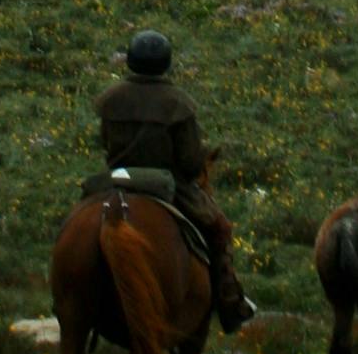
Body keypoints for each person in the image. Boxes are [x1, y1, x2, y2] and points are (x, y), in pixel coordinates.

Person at [93, 30, 255, 332]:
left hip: (117, 180)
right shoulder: (178, 103)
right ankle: (229, 302)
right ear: (165, 64)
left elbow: (105, 142)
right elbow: (193, 163)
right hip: (167, 185)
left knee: (81, 218)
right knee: (219, 228)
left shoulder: (111, 99)